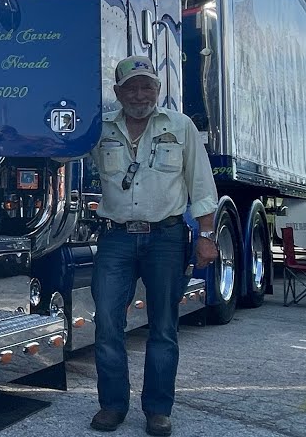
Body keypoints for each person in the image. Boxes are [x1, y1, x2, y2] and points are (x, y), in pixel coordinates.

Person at [88, 55, 219, 437]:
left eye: (147, 86)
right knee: (107, 325)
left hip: (167, 237)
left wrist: (207, 237)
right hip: (115, 237)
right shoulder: (100, 129)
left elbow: (201, 184)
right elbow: (64, 151)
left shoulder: (181, 126)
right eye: (131, 86)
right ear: (117, 92)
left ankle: (158, 410)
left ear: (158, 91)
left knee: (163, 327)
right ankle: (112, 406)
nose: (140, 94)